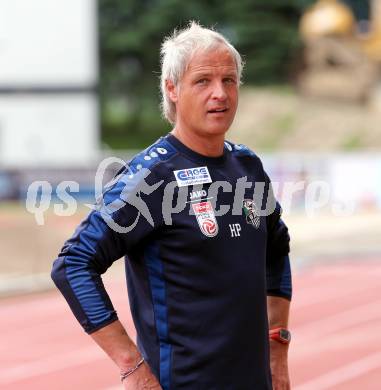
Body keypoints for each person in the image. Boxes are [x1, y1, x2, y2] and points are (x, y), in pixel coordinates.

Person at [51, 21, 292, 390]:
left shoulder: (248, 167)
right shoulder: (153, 176)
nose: (220, 94)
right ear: (172, 88)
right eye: (203, 81)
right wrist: (131, 366)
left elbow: (277, 248)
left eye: (229, 80)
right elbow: (73, 263)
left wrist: (277, 349)